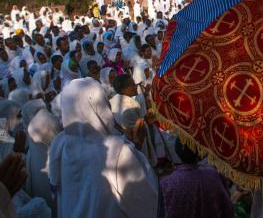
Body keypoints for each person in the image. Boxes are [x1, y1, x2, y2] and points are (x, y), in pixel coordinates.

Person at [49, 78, 162, 218]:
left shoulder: (60, 146)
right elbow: (142, 201)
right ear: (101, 107)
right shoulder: (116, 151)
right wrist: (136, 148)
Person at [160, 137, 234, 218]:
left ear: (177, 152)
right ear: (199, 152)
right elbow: (227, 207)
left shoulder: (165, 185)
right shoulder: (213, 175)